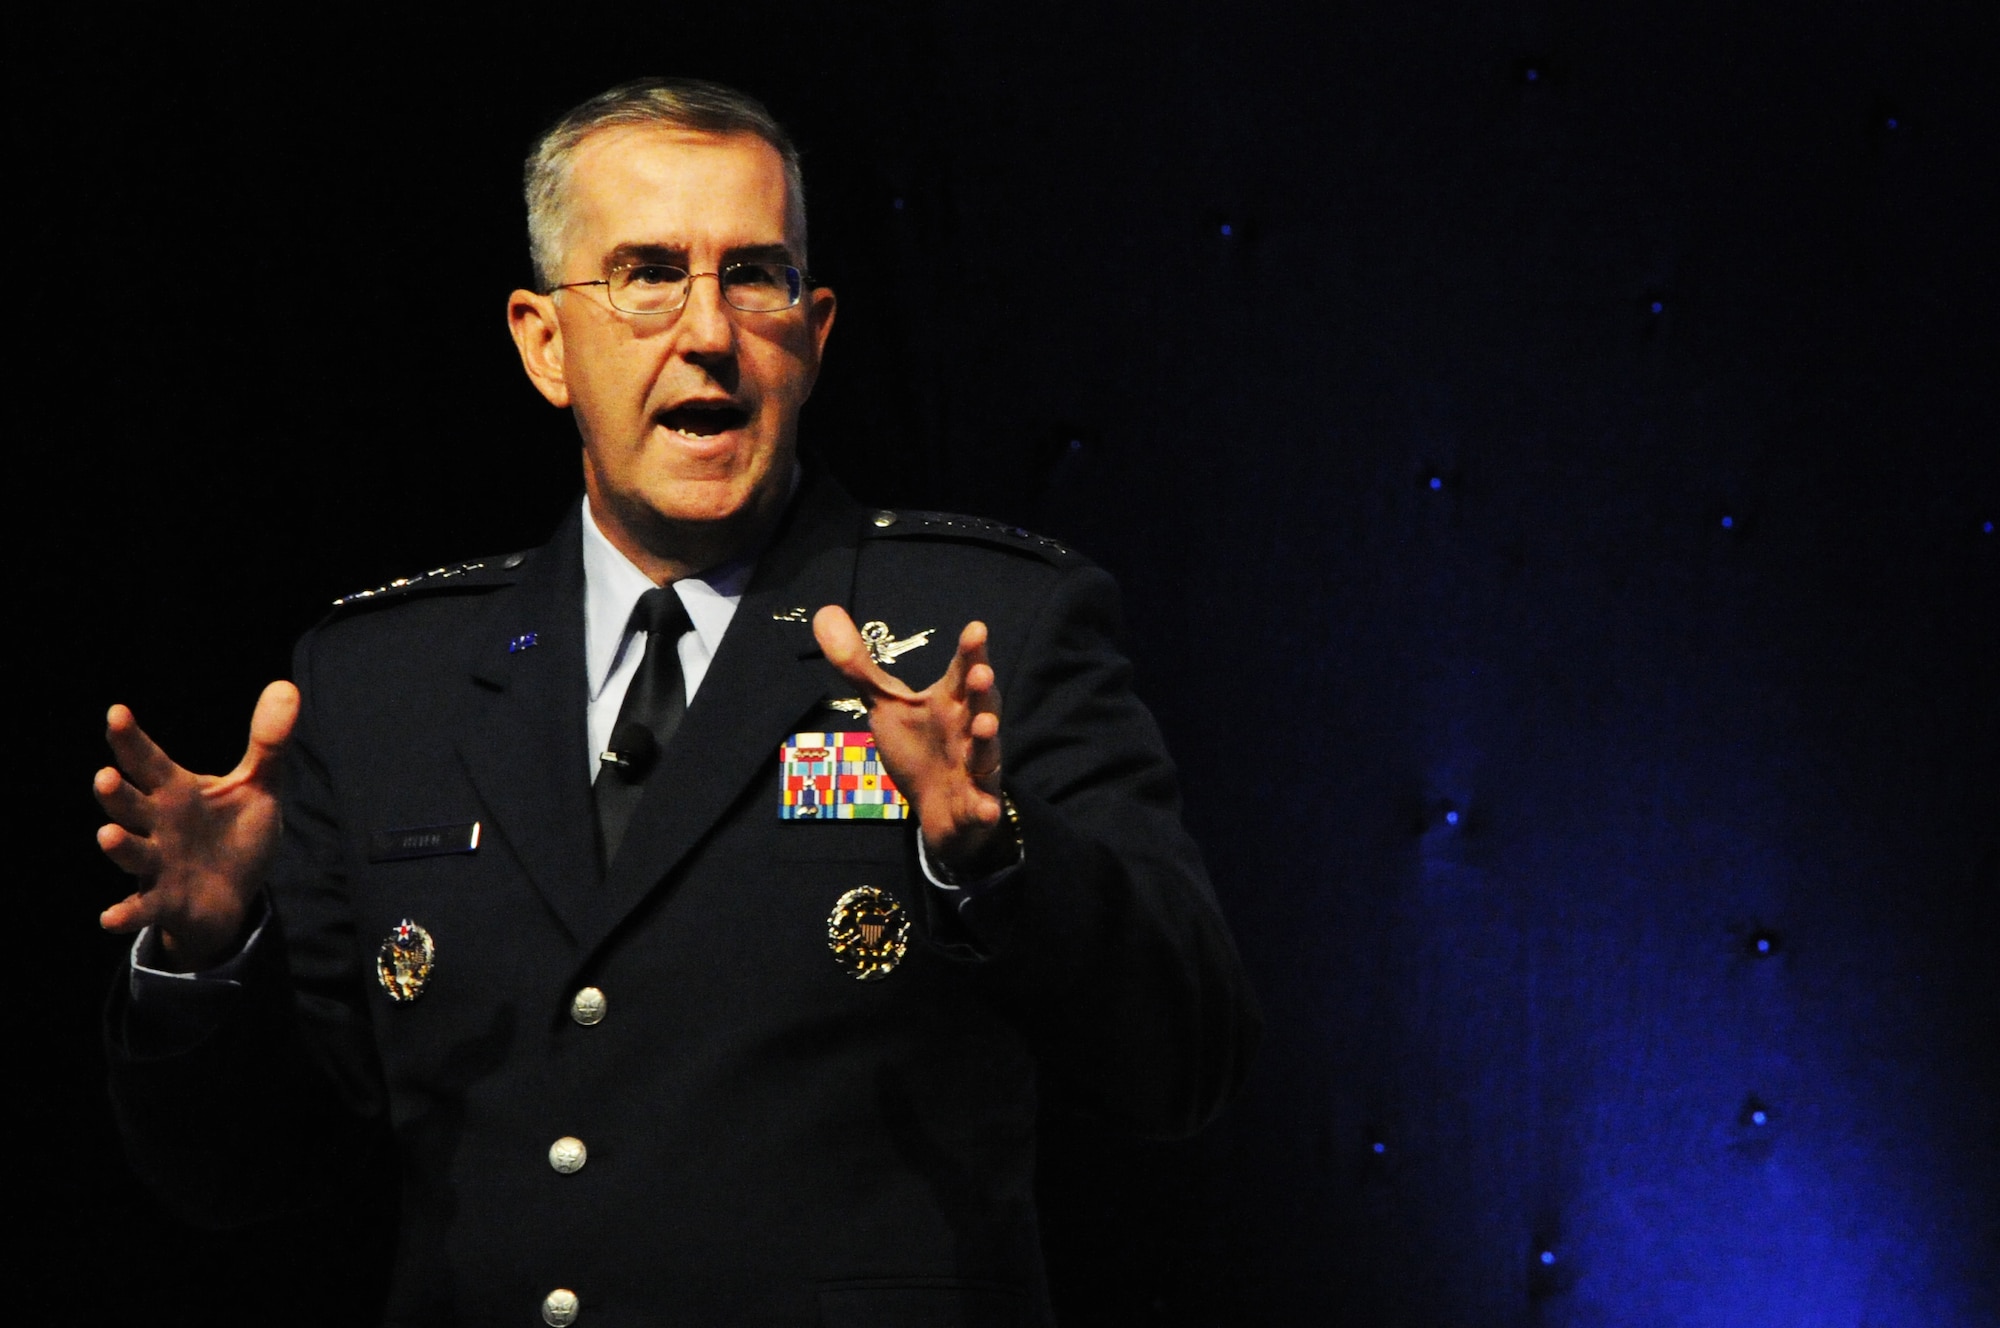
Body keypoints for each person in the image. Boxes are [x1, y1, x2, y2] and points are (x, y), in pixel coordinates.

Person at [95, 78, 1257, 1327]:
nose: (708, 331)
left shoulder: (991, 631)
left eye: (752, 276)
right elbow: (243, 1174)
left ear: (812, 334)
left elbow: (1181, 1062)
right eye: (647, 273)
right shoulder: (387, 681)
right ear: (545, 343)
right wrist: (208, 957)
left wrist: (996, 857)